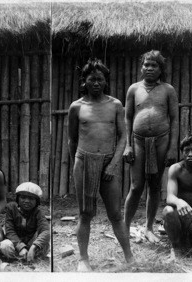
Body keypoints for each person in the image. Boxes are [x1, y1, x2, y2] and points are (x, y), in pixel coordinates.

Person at [68, 58, 133, 272]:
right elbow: (72, 139)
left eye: (100, 79)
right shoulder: (76, 107)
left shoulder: (115, 105)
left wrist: (113, 164)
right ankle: (83, 259)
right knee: (85, 213)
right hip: (84, 161)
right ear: (84, 81)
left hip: (109, 162)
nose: (96, 83)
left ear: (106, 81)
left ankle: (129, 257)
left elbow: (123, 136)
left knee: (115, 213)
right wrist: (78, 165)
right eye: (92, 79)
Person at [123, 50, 179, 244]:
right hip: (138, 141)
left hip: (161, 141)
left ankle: (148, 228)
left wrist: (172, 148)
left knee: (154, 186)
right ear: (141, 67)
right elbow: (128, 118)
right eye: (146, 65)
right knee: (136, 185)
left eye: (154, 65)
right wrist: (128, 145)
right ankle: (124, 227)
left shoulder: (168, 90)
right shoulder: (133, 89)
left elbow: (174, 119)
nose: (149, 68)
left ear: (160, 69)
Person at [0, 182, 50, 262]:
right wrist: (21, 247)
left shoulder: (38, 212)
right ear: (18, 199)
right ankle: (16, 260)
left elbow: (46, 231)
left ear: (37, 202)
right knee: (5, 245)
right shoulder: (11, 208)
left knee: (45, 244)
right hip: (15, 243)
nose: (26, 201)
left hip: (30, 243)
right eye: (23, 197)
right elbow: (9, 231)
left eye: (31, 198)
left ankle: (30, 258)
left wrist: (33, 247)